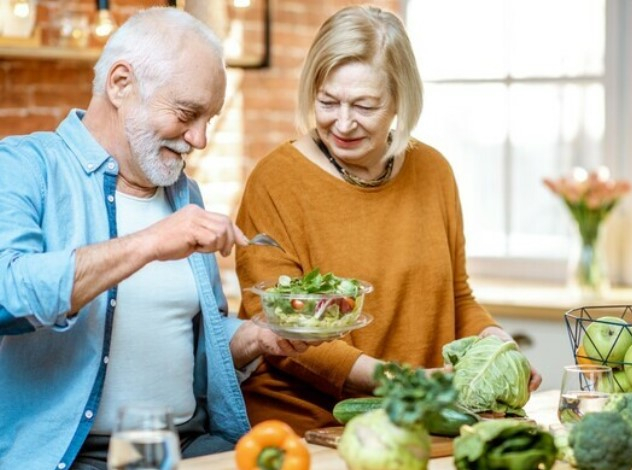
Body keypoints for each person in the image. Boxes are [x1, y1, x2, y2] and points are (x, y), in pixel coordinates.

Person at [0, 8, 310, 470]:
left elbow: (190, 343)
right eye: (187, 113)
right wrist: (148, 242)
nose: (200, 138)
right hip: (75, 456)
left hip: (190, 446)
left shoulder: (185, 195)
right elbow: (8, 295)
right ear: (121, 83)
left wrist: (257, 337)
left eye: (210, 118)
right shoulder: (25, 166)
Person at [234, 5, 543, 434]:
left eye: (364, 105)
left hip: (419, 419)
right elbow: (279, 328)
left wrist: (499, 347)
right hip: (308, 427)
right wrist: (400, 381)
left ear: (400, 100)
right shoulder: (276, 180)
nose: (342, 123)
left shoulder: (434, 171)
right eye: (327, 101)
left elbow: (457, 297)